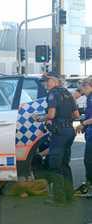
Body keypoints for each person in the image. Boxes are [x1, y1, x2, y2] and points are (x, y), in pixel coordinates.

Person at [37, 72, 80, 205]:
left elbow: (51, 115)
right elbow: (76, 115)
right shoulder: (67, 93)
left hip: (59, 133)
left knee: (55, 165)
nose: (45, 84)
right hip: (69, 131)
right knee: (64, 164)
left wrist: (40, 118)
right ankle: (69, 195)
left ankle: (59, 198)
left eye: (47, 81)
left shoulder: (52, 94)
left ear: (55, 81)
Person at [76, 77, 92, 195]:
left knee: (89, 160)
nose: (82, 91)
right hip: (89, 130)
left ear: (88, 86)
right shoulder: (89, 98)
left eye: (83, 88)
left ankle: (90, 184)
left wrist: (83, 124)